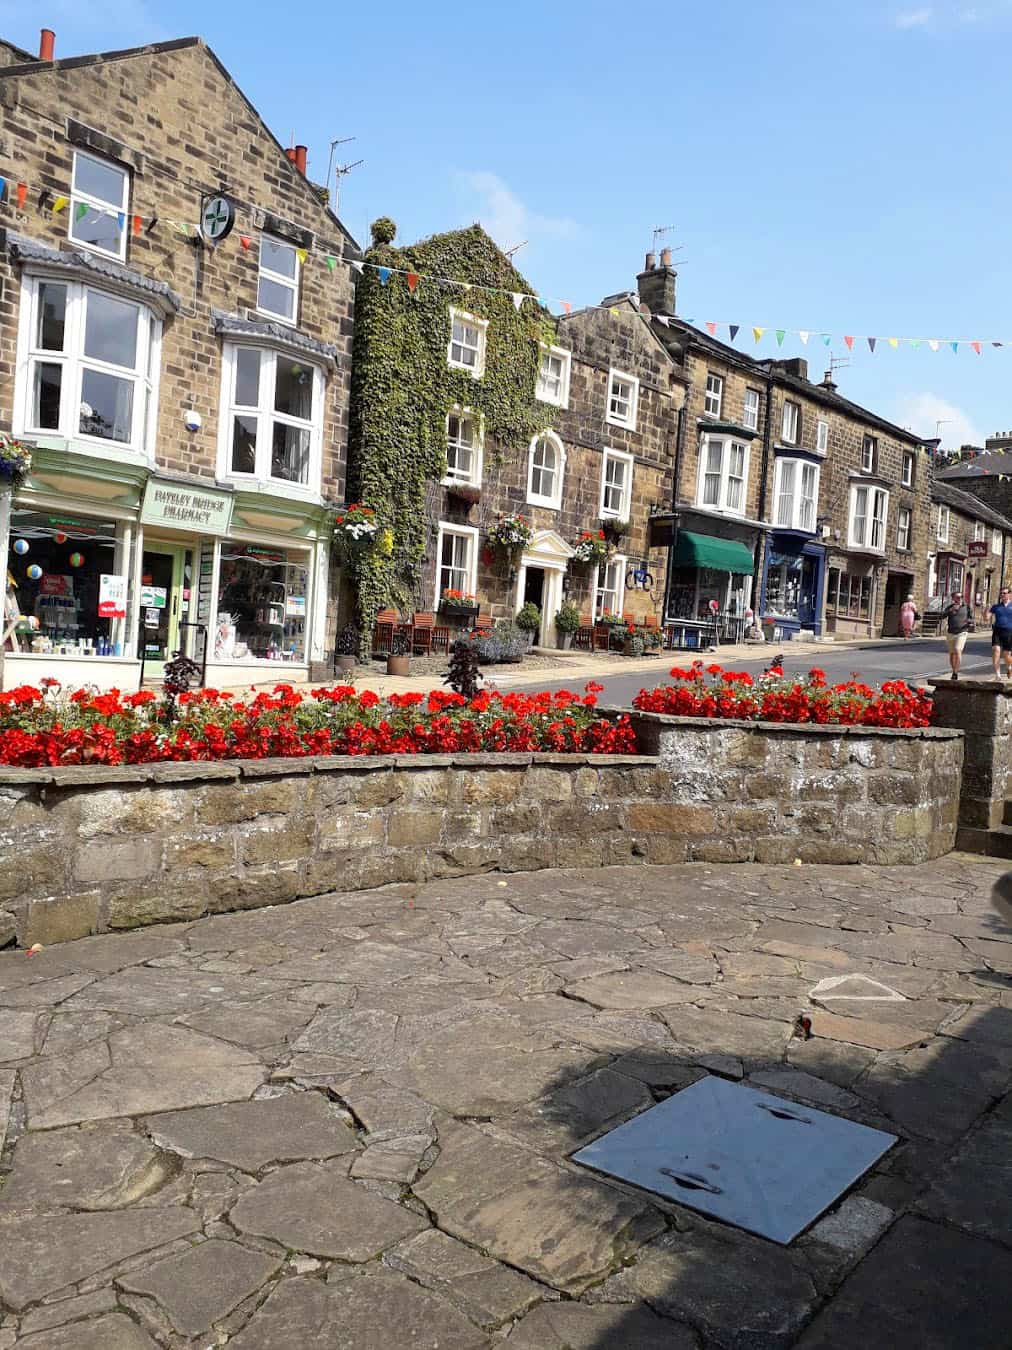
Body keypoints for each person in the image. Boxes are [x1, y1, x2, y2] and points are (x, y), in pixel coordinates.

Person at [942, 589, 971, 680]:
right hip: (951, 633)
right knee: (952, 654)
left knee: (958, 650)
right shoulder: (950, 607)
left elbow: (971, 618)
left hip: (962, 632)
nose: (959, 599)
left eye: (961, 597)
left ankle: (956, 672)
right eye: (957, 597)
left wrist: (970, 622)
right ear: (953, 598)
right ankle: (954, 670)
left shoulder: (967, 607)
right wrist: (950, 610)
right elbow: (941, 616)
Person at [989, 586, 1012, 678]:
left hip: (1009, 632)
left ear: (1010, 594)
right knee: (996, 650)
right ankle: (998, 675)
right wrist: (986, 609)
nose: (1002, 595)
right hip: (997, 631)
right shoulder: (996, 607)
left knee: (1007, 655)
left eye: (1004, 593)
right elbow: (986, 617)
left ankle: (1009, 668)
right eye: (1001, 593)